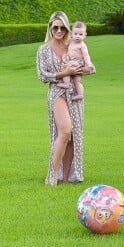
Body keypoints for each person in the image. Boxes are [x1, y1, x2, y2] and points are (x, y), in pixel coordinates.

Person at [36, 11, 94, 186]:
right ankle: (53, 174)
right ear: (50, 28)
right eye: (55, 27)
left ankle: (67, 176)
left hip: (74, 93)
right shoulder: (44, 49)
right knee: (65, 130)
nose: (59, 31)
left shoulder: (73, 45)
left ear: (67, 28)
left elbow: (91, 68)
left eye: (62, 27)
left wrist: (80, 70)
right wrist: (65, 73)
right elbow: (42, 75)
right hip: (57, 92)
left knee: (72, 136)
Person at [57, 21, 95, 101]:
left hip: (79, 62)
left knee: (66, 66)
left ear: (85, 35)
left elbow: (86, 56)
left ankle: (66, 83)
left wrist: (89, 64)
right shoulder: (71, 41)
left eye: (80, 34)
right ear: (71, 34)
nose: (78, 36)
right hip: (72, 61)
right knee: (77, 81)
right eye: (76, 34)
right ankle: (80, 94)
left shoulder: (82, 45)